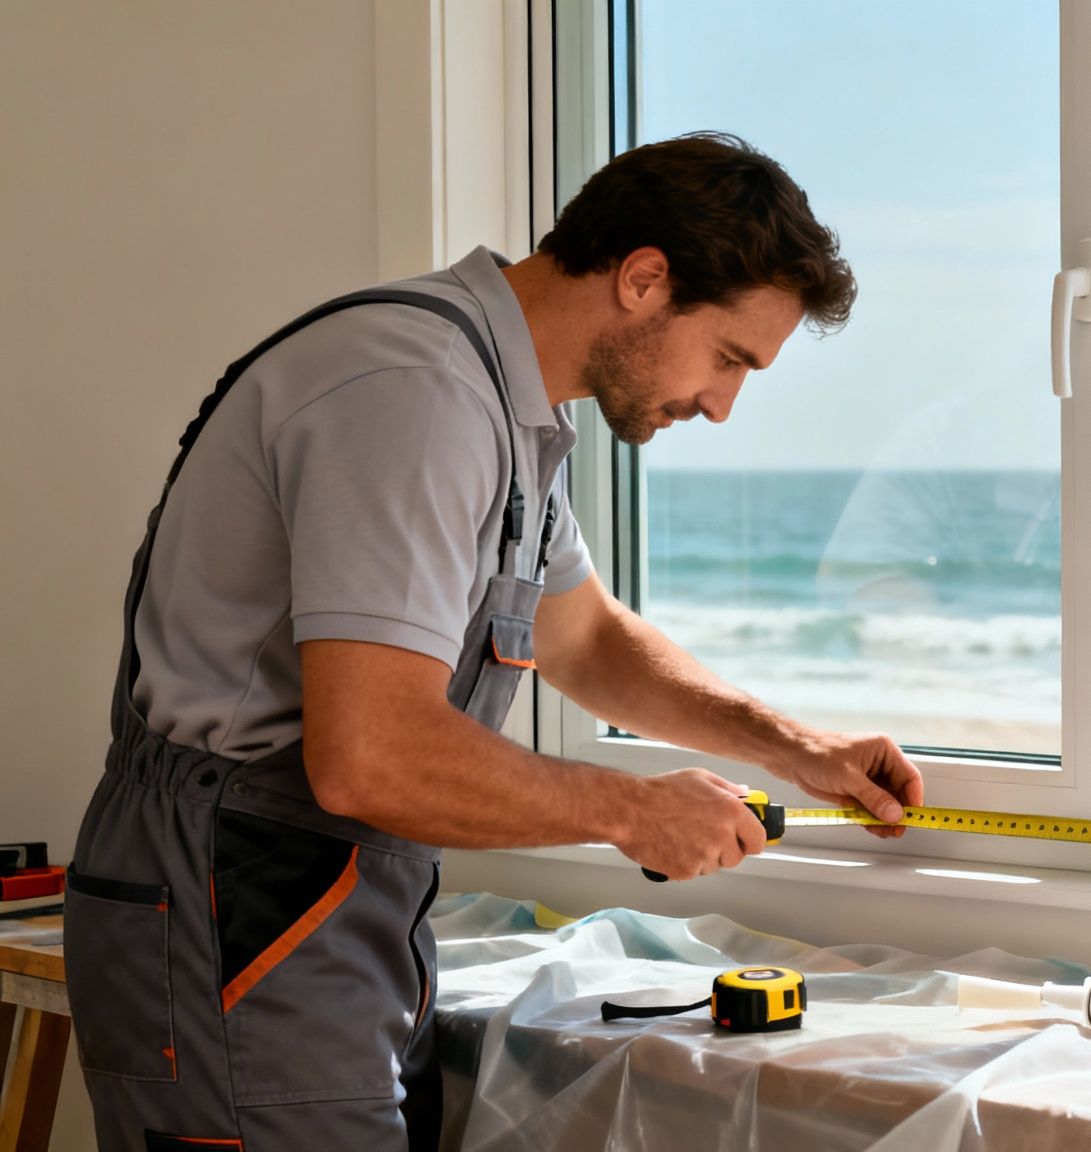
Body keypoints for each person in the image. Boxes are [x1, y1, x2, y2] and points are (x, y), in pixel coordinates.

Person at [64, 132, 924, 1151]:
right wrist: (630, 813)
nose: (721, 405)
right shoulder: (412, 392)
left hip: (322, 901)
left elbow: (589, 642)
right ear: (644, 280)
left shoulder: (502, 408)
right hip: (230, 893)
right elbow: (370, 754)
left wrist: (795, 750)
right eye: (729, 357)